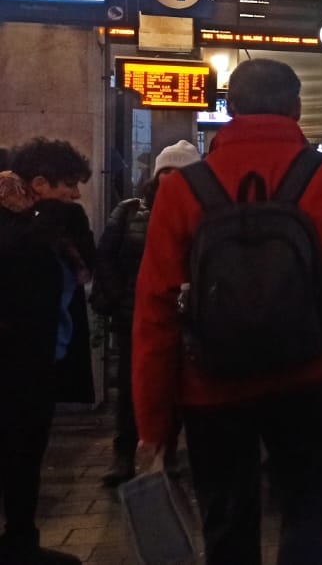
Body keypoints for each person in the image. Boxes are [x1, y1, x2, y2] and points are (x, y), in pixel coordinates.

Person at [134, 59, 322, 565]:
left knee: (226, 525)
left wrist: (154, 422)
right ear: (295, 109)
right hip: (307, 379)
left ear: (231, 108)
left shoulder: (182, 189)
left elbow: (155, 309)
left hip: (210, 389)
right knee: (307, 514)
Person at [1, 139, 94, 565]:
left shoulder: (52, 228)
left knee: (26, 454)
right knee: (18, 452)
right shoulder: (17, 228)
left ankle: (22, 540)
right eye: (68, 185)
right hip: (16, 364)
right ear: (38, 183)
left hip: (38, 361)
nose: (75, 195)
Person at [94, 141, 202, 486]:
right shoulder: (128, 211)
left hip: (184, 316)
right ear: (156, 175)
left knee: (177, 386)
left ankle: (167, 450)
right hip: (132, 315)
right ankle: (125, 453)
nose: (172, 178)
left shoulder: (202, 213)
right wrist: (119, 297)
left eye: (180, 172)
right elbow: (106, 257)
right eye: (166, 170)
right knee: (131, 387)